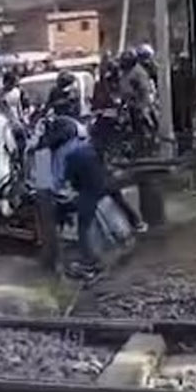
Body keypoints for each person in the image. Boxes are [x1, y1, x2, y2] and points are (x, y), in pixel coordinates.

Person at [44, 117, 147, 280]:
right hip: (100, 183)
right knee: (115, 196)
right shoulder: (84, 144)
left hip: (88, 191)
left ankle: (90, 263)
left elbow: (59, 182)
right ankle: (136, 223)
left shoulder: (63, 153)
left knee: (82, 227)